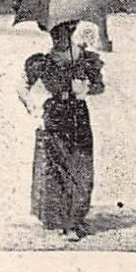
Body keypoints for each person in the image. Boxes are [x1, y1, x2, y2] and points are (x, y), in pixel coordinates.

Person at [20, 21, 105, 240]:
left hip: (78, 114)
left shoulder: (86, 61)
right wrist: (33, 107)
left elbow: (99, 86)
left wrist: (85, 88)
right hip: (55, 115)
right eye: (56, 38)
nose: (60, 42)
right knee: (58, 167)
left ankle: (75, 216)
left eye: (65, 37)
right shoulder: (43, 62)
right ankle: (65, 221)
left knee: (81, 165)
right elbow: (22, 88)